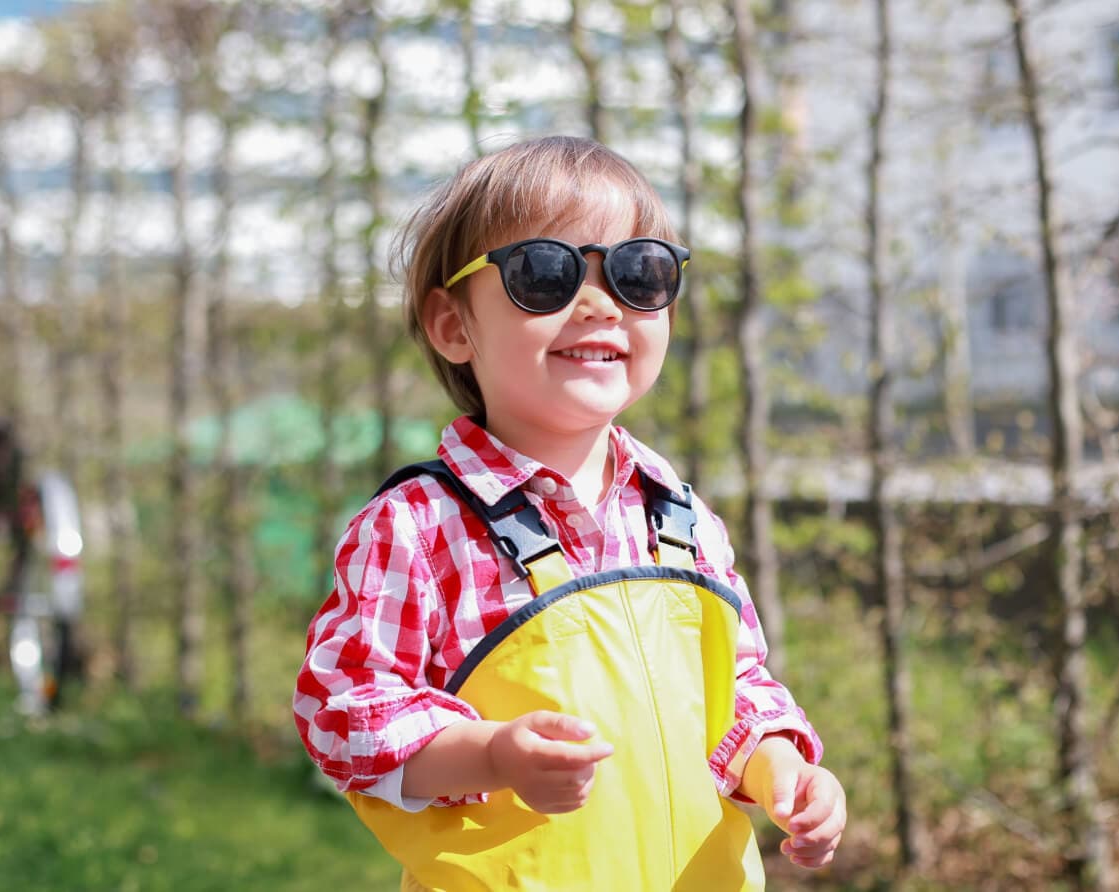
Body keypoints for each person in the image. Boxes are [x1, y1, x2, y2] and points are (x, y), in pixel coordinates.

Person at [293, 135, 845, 891]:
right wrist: (491, 755)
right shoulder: (418, 527)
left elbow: (737, 690)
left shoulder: (681, 520)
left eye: (637, 273)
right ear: (454, 326)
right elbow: (345, 713)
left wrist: (784, 769)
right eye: (543, 273)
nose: (598, 303)